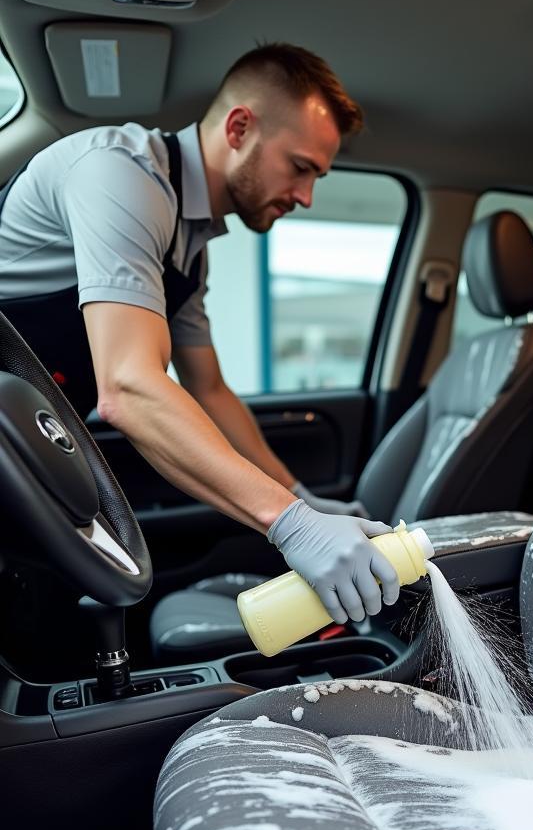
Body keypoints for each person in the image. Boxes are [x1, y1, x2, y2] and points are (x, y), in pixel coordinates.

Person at [0, 43, 399, 626]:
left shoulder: (190, 250)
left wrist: (299, 497)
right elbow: (130, 386)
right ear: (240, 127)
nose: (306, 196)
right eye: (301, 167)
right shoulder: (122, 173)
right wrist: (291, 525)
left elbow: (209, 392)